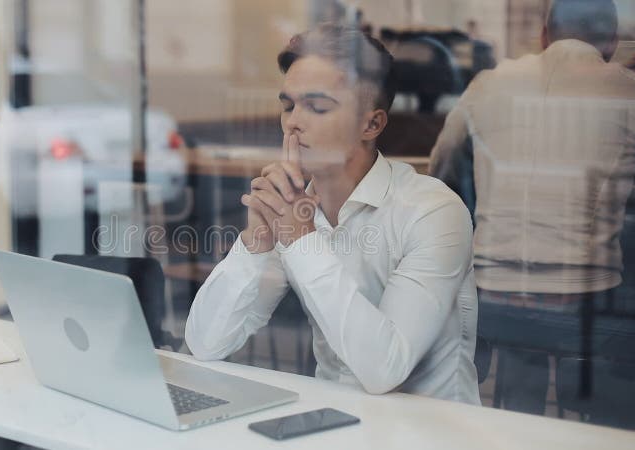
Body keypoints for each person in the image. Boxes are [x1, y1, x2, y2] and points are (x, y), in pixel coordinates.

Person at [185, 24, 480, 405]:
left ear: (371, 124)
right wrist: (255, 245)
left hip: (429, 432)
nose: (293, 122)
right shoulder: (295, 210)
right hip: (331, 422)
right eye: (288, 105)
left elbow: (383, 369)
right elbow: (206, 344)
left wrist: (301, 238)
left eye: (317, 107)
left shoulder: (433, 212)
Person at [429, 0, 635, 415]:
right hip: (585, 295)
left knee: (519, 362)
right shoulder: (628, 91)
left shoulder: (488, 83)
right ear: (612, 41)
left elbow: (442, 165)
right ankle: (593, 423)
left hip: (494, 292)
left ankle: (516, 424)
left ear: (544, 35)